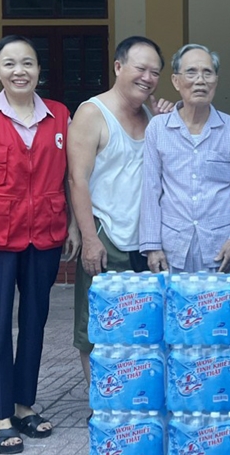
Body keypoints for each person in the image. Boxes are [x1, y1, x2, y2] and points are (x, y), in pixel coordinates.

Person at [0, 35, 80, 454]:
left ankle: (24, 404)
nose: (19, 71)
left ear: (39, 70)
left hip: (44, 232)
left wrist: (75, 228)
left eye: (27, 63)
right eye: (9, 64)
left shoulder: (60, 116)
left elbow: (69, 176)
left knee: (34, 322)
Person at [67, 36, 173, 385]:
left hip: (144, 238)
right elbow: (77, 179)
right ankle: (102, 403)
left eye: (154, 72)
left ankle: (132, 397)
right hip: (106, 233)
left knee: (140, 324)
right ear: (118, 67)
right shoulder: (91, 112)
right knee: (97, 324)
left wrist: (165, 124)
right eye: (140, 68)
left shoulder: (150, 114)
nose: (147, 77)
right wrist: (88, 237)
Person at [140, 44, 230, 273]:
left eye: (207, 73)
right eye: (191, 72)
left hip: (222, 251)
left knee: (221, 309)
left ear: (216, 81)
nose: (200, 80)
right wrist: (152, 246)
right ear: (175, 81)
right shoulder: (158, 129)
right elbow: (150, 190)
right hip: (172, 250)